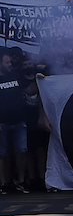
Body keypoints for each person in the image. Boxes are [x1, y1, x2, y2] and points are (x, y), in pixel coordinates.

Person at [0, 51, 30, 193]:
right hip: (2, 122)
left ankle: (21, 181)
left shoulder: (17, 75)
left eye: (10, 62)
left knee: (21, 151)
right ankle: (3, 183)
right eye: (7, 62)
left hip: (19, 120)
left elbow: (30, 89)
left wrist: (40, 78)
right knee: (2, 153)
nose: (10, 64)